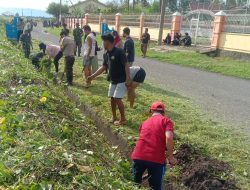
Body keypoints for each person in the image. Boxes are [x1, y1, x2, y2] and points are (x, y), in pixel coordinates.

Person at [131, 101, 177, 190]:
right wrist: (171, 157)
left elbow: (142, 137)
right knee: (155, 187)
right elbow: (169, 137)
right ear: (163, 112)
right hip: (156, 159)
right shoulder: (166, 121)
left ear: (150, 111)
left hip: (138, 156)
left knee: (134, 184)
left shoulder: (144, 122)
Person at [87, 33, 130, 126]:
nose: (102, 44)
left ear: (107, 42)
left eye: (103, 42)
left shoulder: (119, 52)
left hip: (122, 79)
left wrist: (128, 78)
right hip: (113, 80)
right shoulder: (106, 54)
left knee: (117, 98)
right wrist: (92, 76)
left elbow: (126, 65)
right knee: (112, 98)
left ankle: (123, 119)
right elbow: (103, 67)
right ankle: (114, 116)